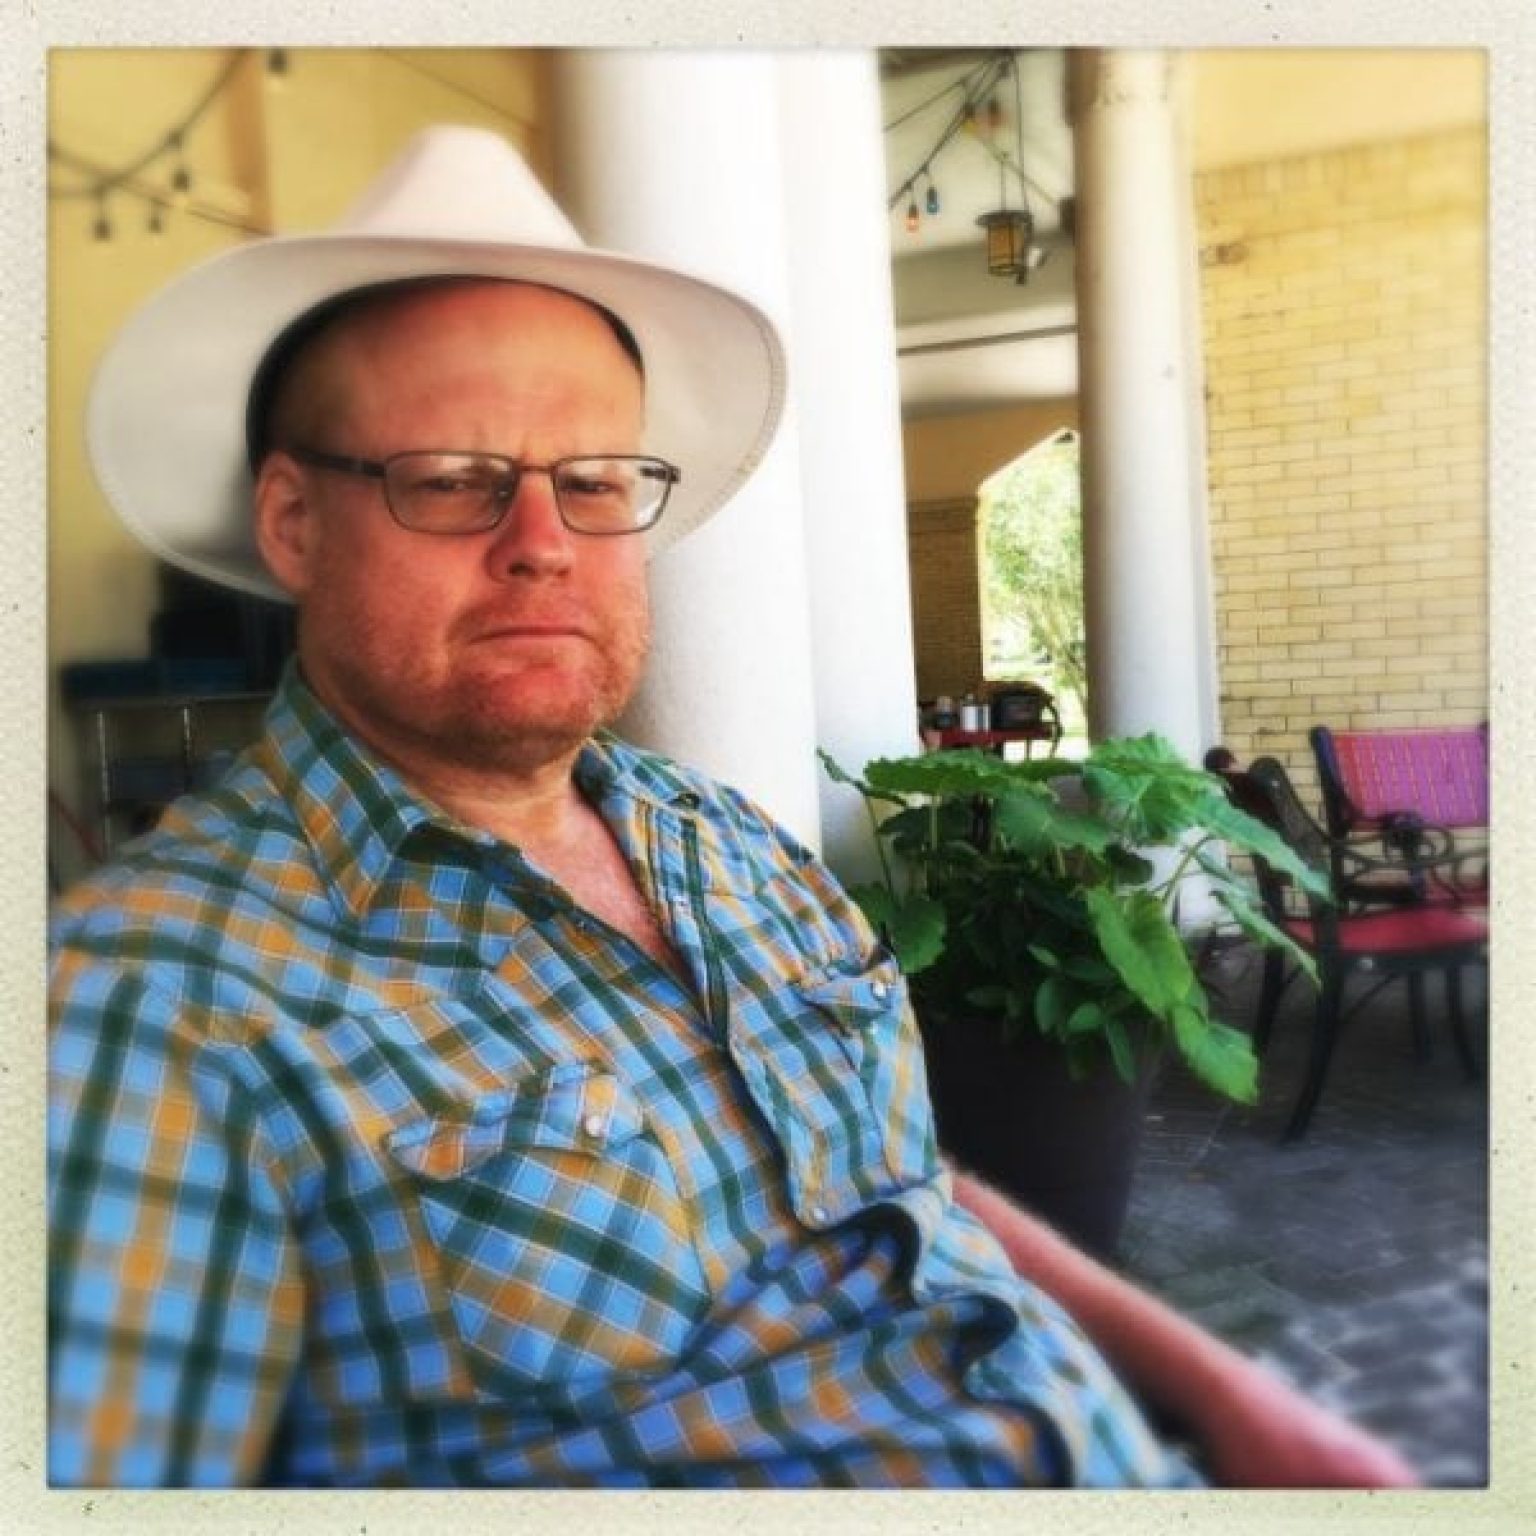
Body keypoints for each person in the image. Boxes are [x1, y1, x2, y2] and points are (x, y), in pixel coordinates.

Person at [49, 125, 1416, 1491]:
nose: (544, 544)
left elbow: (906, 1196)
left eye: (595, 482)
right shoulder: (150, 1000)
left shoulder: (727, 841)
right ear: (294, 522)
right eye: (454, 479)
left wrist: (1232, 1397)